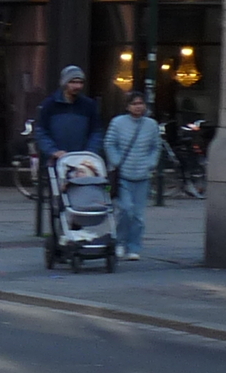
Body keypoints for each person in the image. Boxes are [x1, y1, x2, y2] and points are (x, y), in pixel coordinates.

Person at [104, 89, 164, 261]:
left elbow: (156, 146)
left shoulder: (151, 125)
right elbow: (109, 143)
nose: (138, 107)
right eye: (134, 104)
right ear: (128, 106)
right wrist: (116, 161)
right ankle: (119, 242)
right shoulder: (117, 123)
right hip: (123, 174)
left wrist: (151, 163)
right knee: (125, 210)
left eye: (141, 103)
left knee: (138, 216)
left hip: (142, 175)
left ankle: (134, 246)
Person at [32, 66, 103, 160]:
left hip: (82, 161)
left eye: (80, 82)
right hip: (55, 160)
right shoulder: (49, 104)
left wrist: (89, 153)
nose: (78, 86)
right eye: (73, 82)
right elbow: (41, 131)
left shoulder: (89, 105)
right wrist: (53, 151)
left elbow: (96, 132)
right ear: (64, 83)